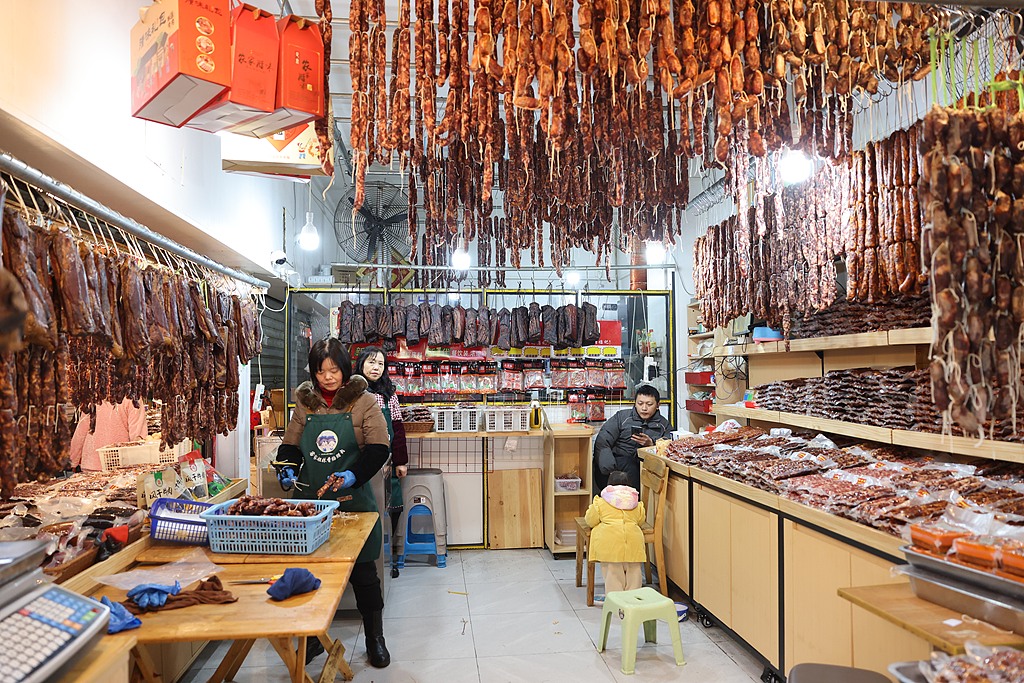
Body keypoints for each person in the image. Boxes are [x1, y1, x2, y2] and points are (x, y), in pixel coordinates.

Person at [275, 338, 392, 668]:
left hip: (353, 503)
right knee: (311, 573)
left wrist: (354, 475)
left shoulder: (365, 401)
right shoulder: (305, 404)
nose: (327, 377)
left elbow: (379, 449)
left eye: (333, 370)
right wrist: (287, 468)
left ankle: (375, 637)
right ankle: (313, 639)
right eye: (320, 371)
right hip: (311, 505)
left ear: (345, 369)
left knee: (364, 574)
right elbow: (291, 446)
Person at [354, 347, 409, 578]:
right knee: (366, 509)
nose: (376, 368)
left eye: (380, 364)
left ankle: (387, 559)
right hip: (361, 461)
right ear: (361, 364)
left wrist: (401, 461)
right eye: (371, 362)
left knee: (392, 508)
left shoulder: (389, 394)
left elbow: (397, 427)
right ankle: (364, 559)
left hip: (387, 463)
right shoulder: (352, 392)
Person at [592, 384, 671, 493]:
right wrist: (609, 470)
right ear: (635, 403)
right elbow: (603, 441)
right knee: (629, 465)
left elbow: (668, 449)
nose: (644, 408)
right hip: (615, 464)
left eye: (649, 404)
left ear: (658, 405)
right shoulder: (622, 417)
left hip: (645, 467)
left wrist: (651, 445)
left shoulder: (664, 425)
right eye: (640, 403)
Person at [585, 470, 647, 596]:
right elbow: (641, 520)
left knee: (613, 573)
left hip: (610, 544)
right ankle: (633, 599)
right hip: (633, 542)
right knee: (634, 571)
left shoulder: (601, 502)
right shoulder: (636, 503)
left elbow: (590, 520)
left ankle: (616, 600)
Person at [70, 398, 148, 471]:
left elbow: (81, 431)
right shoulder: (132, 396)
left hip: (91, 464)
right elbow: (137, 437)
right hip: (119, 465)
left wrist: (72, 461)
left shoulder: (94, 394)